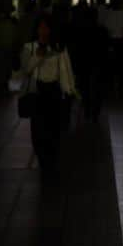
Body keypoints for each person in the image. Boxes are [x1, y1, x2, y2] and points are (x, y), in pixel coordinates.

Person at [19, 14, 77, 177]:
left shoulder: (59, 48)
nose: (44, 31)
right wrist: (38, 55)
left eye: (47, 27)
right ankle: (43, 159)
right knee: (38, 131)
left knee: (54, 130)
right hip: (37, 92)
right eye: (41, 27)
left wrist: (69, 92)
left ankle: (51, 160)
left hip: (54, 92)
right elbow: (26, 70)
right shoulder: (29, 48)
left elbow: (65, 71)